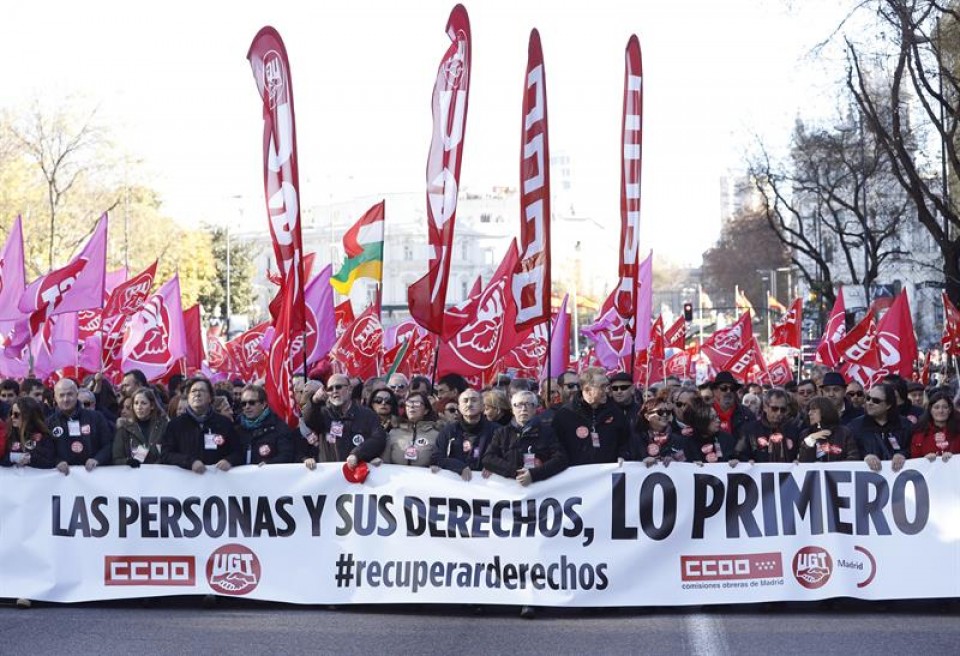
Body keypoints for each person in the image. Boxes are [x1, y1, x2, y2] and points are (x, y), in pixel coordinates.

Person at [481, 389, 568, 621]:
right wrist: (513, 473)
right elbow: (488, 458)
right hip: (509, 503)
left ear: (535, 407)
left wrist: (535, 475)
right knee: (511, 550)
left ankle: (531, 599)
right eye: (518, 405)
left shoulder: (546, 432)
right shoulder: (502, 433)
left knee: (534, 550)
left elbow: (561, 458)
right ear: (512, 407)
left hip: (538, 501)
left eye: (528, 405)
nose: (523, 409)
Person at [299, 373, 386, 471]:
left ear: (349, 389)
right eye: (330, 389)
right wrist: (314, 401)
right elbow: (309, 420)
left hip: (359, 476)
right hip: (330, 476)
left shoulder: (367, 414)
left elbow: (378, 438)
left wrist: (357, 454)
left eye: (338, 387)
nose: (334, 391)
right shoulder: (324, 414)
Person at [159, 377, 241, 473]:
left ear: (210, 398)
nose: (197, 394)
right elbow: (166, 454)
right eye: (193, 391)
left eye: (202, 390)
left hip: (217, 483)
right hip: (185, 483)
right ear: (188, 397)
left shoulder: (224, 423)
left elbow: (238, 452)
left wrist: (229, 461)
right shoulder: (175, 425)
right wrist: (190, 462)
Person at [553, 367, 629, 466]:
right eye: (602, 387)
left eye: (607, 386)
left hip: (607, 477)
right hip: (577, 478)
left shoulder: (615, 412)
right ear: (588, 389)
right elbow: (557, 450)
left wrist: (623, 455)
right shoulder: (564, 415)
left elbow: (627, 442)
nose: (607, 391)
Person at [47, 379, 114, 475]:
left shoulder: (96, 417)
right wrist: (57, 462)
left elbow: (108, 445)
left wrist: (97, 459)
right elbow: (46, 451)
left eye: (70, 394)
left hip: (93, 478)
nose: (66, 399)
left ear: (76, 394)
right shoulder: (49, 423)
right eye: (61, 395)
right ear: (55, 397)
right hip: (62, 481)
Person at [432, 388, 497, 479]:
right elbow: (437, 457)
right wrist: (460, 467)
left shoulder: (497, 431)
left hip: (486, 486)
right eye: (465, 401)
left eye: (474, 400)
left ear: (483, 406)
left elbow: (506, 458)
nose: (469, 404)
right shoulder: (449, 430)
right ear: (459, 407)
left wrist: (495, 466)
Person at [846, 383, 910, 472]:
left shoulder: (905, 425)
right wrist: (865, 456)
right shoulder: (855, 426)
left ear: (888, 405)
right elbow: (849, 452)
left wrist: (903, 454)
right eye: (868, 398)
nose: (869, 403)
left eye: (876, 401)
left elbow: (914, 448)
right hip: (866, 479)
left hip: (898, 479)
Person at [235, 384, 294, 465]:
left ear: (263, 404)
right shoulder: (237, 427)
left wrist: (268, 464)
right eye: (243, 403)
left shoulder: (278, 427)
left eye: (252, 402)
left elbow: (287, 455)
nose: (247, 407)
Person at [737, 389, 800, 463]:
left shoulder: (793, 430)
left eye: (783, 409)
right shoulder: (749, 429)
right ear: (765, 407)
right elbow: (739, 453)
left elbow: (798, 454)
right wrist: (747, 461)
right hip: (757, 473)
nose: (779, 413)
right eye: (774, 409)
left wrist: (797, 461)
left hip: (786, 473)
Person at [380, 391, 440, 467]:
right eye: (408, 403)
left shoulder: (436, 435)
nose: (412, 406)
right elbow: (385, 462)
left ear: (426, 410)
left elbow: (438, 461)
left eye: (417, 403)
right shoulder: (393, 432)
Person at [113, 388, 168, 467]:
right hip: (133, 476)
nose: (139, 407)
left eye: (143, 403)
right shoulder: (124, 429)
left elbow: (170, 453)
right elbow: (116, 459)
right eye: (136, 403)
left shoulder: (164, 426)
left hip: (160, 474)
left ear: (152, 406)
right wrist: (128, 461)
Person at [798, 396, 860, 463]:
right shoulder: (806, 434)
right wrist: (811, 439)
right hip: (814, 473)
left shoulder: (844, 432)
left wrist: (829, 468)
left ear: (825, 411)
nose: (809, 413)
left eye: (814, 410)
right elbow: (802, 462)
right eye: (809, 410)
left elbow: (853, 458)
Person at [1, 396, 57, 469]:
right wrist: (13, 457)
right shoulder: (8, 434)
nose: (12, 417)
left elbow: (50, 461)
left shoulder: (44, 436)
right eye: (11, 413)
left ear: (28, 416)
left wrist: (30, 458)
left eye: (16, 414)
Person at [681, 397, 738, 465]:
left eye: (717, 416)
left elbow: (739, 458)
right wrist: (692, 466)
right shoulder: (688, 443)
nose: (718, 420)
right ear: (702, 421)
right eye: (713, 418)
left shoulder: (726, 439)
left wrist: (735, 462)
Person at [910, 390, 959, 460]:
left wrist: (955, 457)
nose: (941, 411)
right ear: (930, 410)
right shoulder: (920, 433)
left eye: (945, 407)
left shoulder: (958, 430)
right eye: (936, 407)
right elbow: (914, 459)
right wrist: (924, 459)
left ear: (950, 410)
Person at [710, 371, 754, 442]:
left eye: (732, 388)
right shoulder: (704, 414)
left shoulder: (747, 414)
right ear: (714, 391)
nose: (728, 391)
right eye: (724, 388)